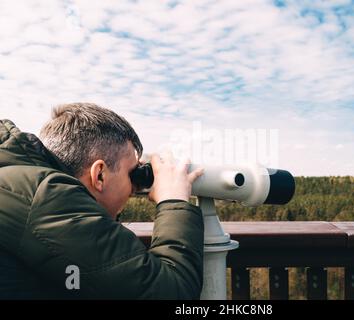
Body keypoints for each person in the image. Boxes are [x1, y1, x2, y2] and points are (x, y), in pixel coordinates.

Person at [0, 103, 204, 299]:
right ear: (99, 175)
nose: (135, 188)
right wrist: (173, 199)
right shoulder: (48, 198)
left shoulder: (21, 181)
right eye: (132, 174)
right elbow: (172, 291)